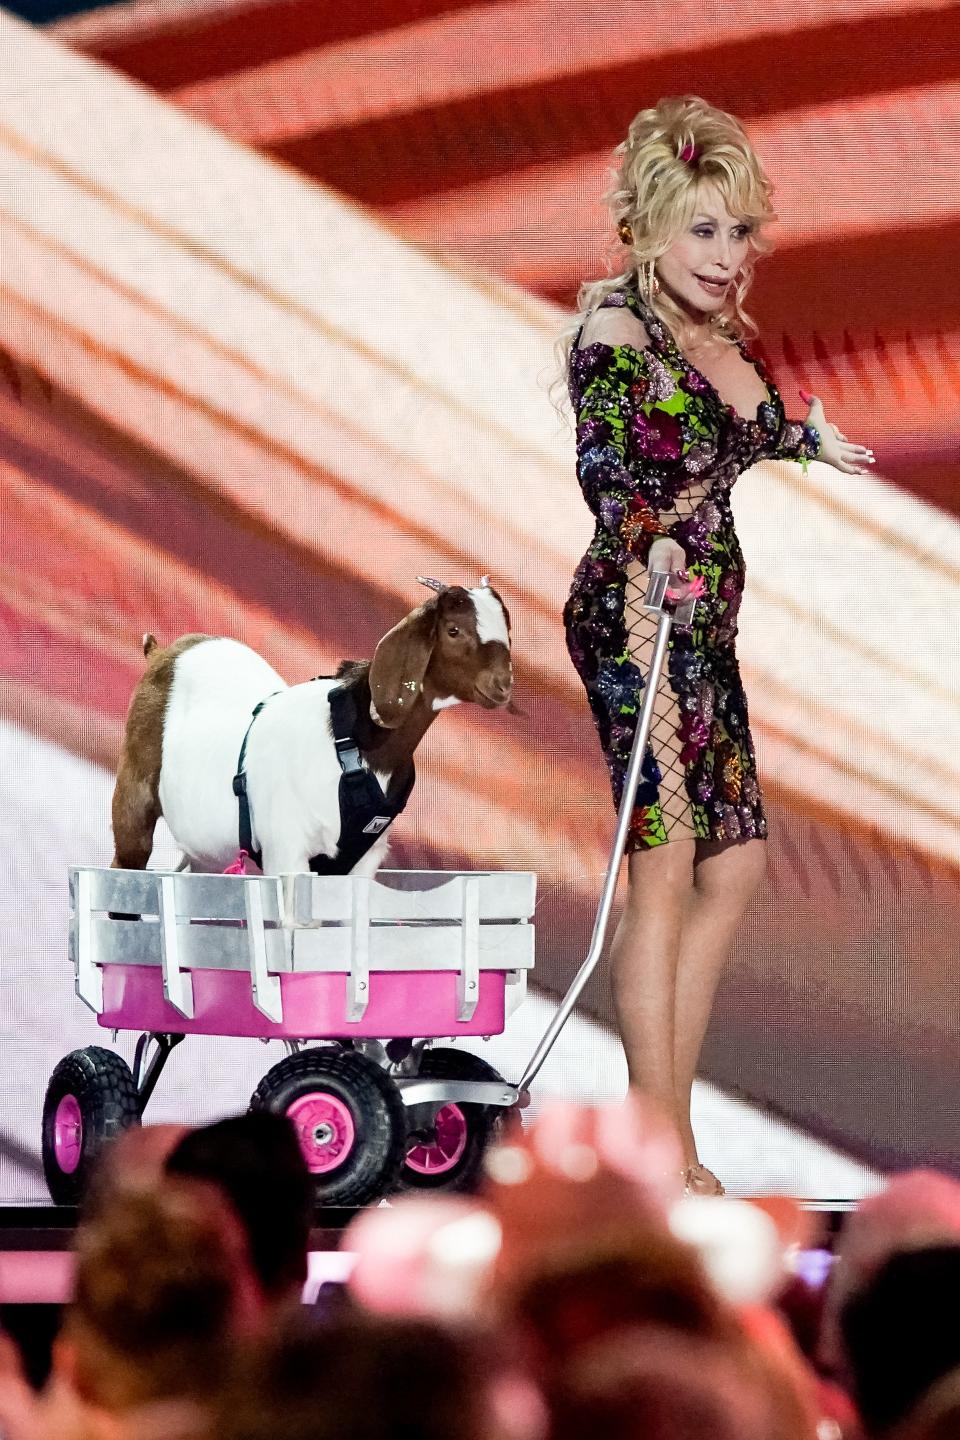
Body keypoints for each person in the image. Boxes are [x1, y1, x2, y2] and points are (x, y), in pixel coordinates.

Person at [562, 95, 872, 1193]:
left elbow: (739, 433)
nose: (726, 255)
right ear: (647, 230)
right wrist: (648, 553)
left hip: (707, 633)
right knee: (663, 876)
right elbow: (610, 476)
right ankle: (663, 1148)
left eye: (739, 233)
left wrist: (804, 441)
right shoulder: (617, 340)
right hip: (638, 624)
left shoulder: (717, 337)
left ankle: (666, 1124)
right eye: (703, 230)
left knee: (734, 861)